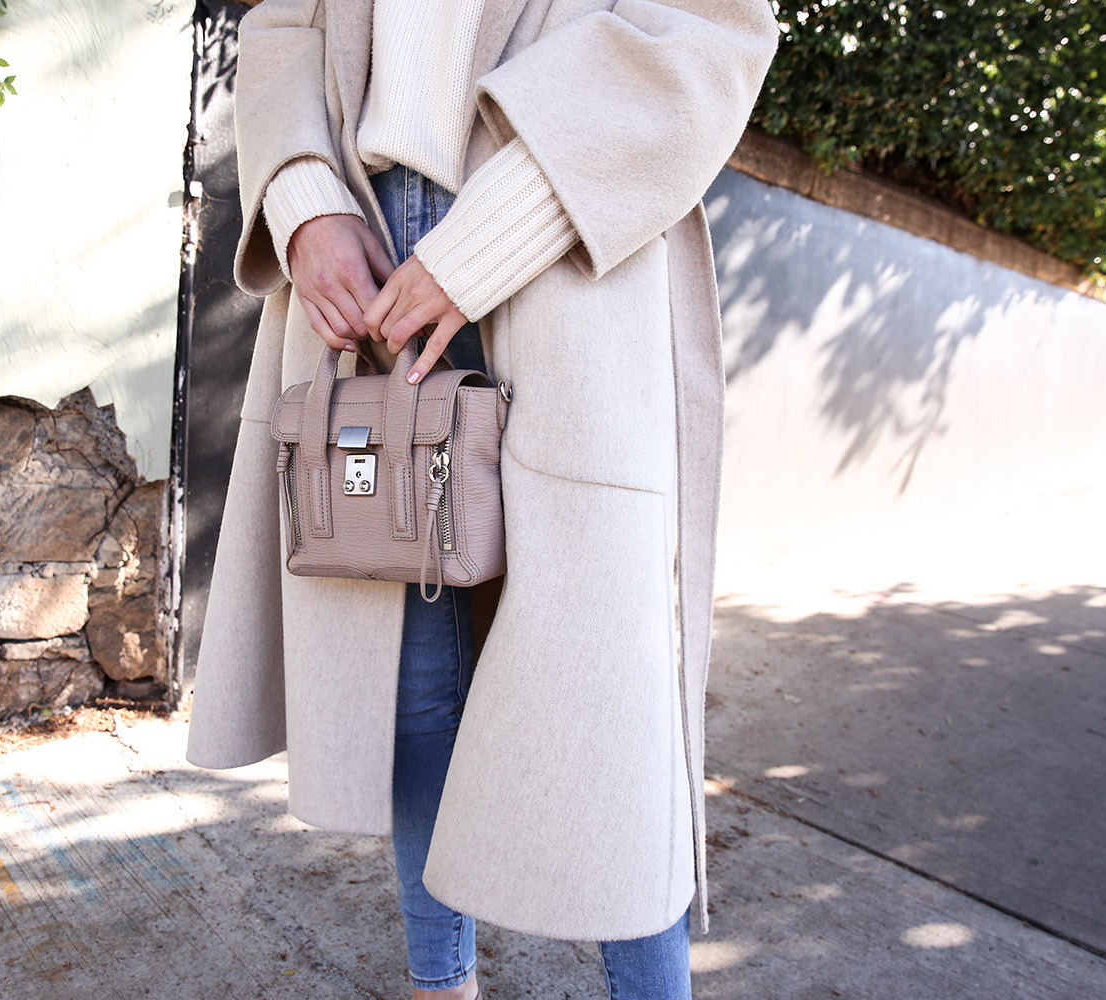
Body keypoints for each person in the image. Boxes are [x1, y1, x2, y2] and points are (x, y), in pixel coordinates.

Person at [187, 0, 778, 996]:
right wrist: (300, 199)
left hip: (568, 248)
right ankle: (441, 981)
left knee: (601, 700)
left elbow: (710, 31)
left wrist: (499, 230)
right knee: (410, 692)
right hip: (362, 258)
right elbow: (281, 27)